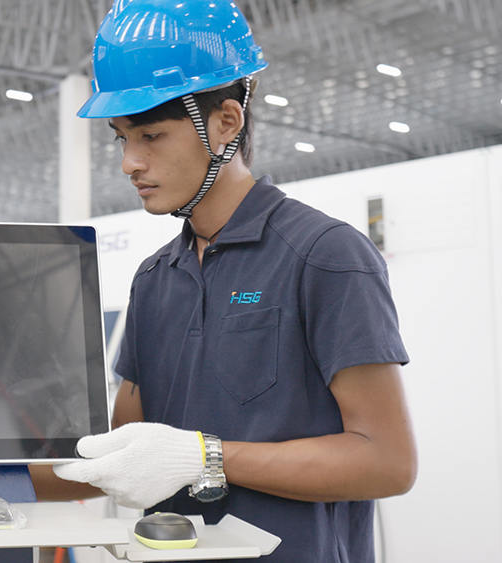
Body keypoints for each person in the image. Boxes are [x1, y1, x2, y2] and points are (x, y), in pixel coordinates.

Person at [28, 1, 417, 561]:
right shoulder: (155, 278)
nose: (129, 163)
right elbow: (114, 457)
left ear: (226, 122)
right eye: (121, 138)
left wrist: (205, 457)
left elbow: (386, 461)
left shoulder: (324, 255)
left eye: (151, 136)